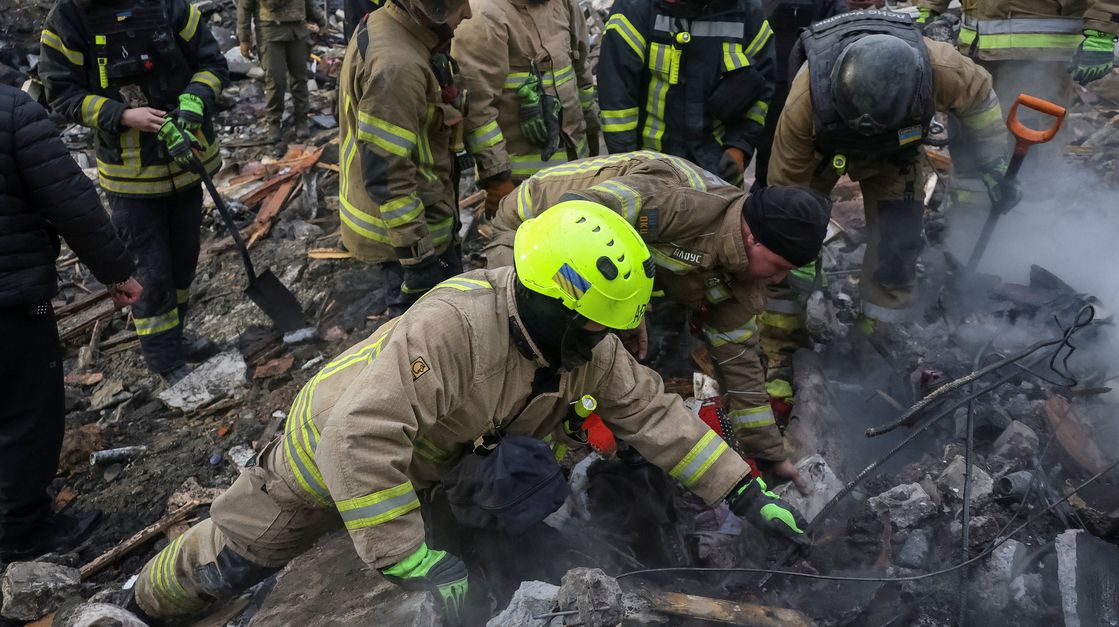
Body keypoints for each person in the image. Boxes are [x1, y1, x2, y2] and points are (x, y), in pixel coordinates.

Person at [129, 201, 809, 623]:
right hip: (322, 447)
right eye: (595, 326)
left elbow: (653, 413)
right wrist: (413, 560)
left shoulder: (577, 340)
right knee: (232, 560)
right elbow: (355, 442)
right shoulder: (453, 328)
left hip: (430, 456)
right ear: (556, 301)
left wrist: (744, 489)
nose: (604, 343)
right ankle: (132, 607)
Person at [484, 151, 831, 483]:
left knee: (610, 350)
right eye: (780, 266)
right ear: (754, 238)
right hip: (533, 226)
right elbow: (576, 215)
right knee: (541, 346)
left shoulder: (741, 276)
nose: (779, 279)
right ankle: (508, 454)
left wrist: (769, 455)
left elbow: (740, 363)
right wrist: (630, 310)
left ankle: (568, 443)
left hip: (598, 263)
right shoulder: (677, 199)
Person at [766, 9, 1010, 335]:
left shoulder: (942, 68)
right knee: (785, 258)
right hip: (824, 151)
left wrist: (994, 164)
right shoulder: (805, 100)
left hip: (898, 151)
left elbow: (981, 101)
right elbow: (784, 190)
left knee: (898, 248)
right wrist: (798, 251)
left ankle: (876, 338)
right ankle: (782, 348)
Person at [40, 0, 228, 383]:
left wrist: (195, 99)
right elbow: (62, 94)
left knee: (182, 262)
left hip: (187, 164)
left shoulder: (169, 5)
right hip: (132, 178)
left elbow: (212, 63)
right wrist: (123, 116)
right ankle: (165, 360)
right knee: (151, 271)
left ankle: (177, 336)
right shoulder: (68, 18)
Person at [0, 84, 142, 560]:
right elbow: (70, 200)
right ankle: (21, 531)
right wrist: (115, 271)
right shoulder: (13, 110)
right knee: (28, 412)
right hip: (16, 304)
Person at [914, 0, 1119, 216]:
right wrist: (928, 8)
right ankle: (968, 224)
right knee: (969, 144)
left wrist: (1101, 32)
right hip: (974, 48)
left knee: (1029, 154)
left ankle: (1030, 231)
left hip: (1039, 56)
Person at [337, 0, 469, 317]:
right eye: (457, 5)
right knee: (427, 337)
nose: (468, 13)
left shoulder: (394, 25)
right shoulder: (397, 67)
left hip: (414, 221)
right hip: (407, 236)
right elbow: (389, 175)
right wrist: (418, 260)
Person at [597, 0, 775, 185]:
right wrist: (628, 169)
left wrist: (739, 147)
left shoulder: (746, 11)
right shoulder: (634, 11)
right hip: (651, 171)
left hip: (719, 171)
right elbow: (617, 104)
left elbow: (761, 88)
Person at [453, 0, 600, 215]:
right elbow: (477, 110)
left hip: (577, 171)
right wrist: (498, 180)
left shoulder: (564, 5)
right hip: (522, 186)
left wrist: (593, 142)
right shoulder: (483, 16)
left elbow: (581, 76)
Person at [752, 0, 845, 188]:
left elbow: (839, 23)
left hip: (811, 78)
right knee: (769, 151)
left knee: (806, 149)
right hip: (775, 77)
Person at [237, 0, 327, 155]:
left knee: (299, 77)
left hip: (297, 28)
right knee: (276, 80)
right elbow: (245, 6)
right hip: (270, 29)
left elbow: (308, 2)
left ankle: (302, 119)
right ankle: (274, 123)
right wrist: (244, 38)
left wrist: (321, 21)